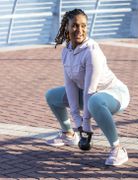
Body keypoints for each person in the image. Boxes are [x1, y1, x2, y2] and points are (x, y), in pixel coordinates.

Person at [45, 8, 130, 166]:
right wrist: (77, 122)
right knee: (51, 96)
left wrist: (85, 124)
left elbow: (91, 89)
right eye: (75, 25)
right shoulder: (66, 52)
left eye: (83, 26)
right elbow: (70, 86)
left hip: (114, 95)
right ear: (67, 28)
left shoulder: (92, 51)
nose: (79, 30)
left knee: (95, 101)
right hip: (90, 96)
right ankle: (69, 134)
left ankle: (118, 148)